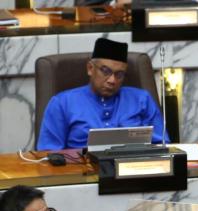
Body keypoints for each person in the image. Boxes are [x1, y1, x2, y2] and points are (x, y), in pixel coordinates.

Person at [37, 38, 168, 151]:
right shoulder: (62, 103)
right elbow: (49, 154)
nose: (112, 80)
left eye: (119, 74)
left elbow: (162, 145)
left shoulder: (142, 99)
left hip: (132, 168)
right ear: (90, 68)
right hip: (82, 170)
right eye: (105, 71)